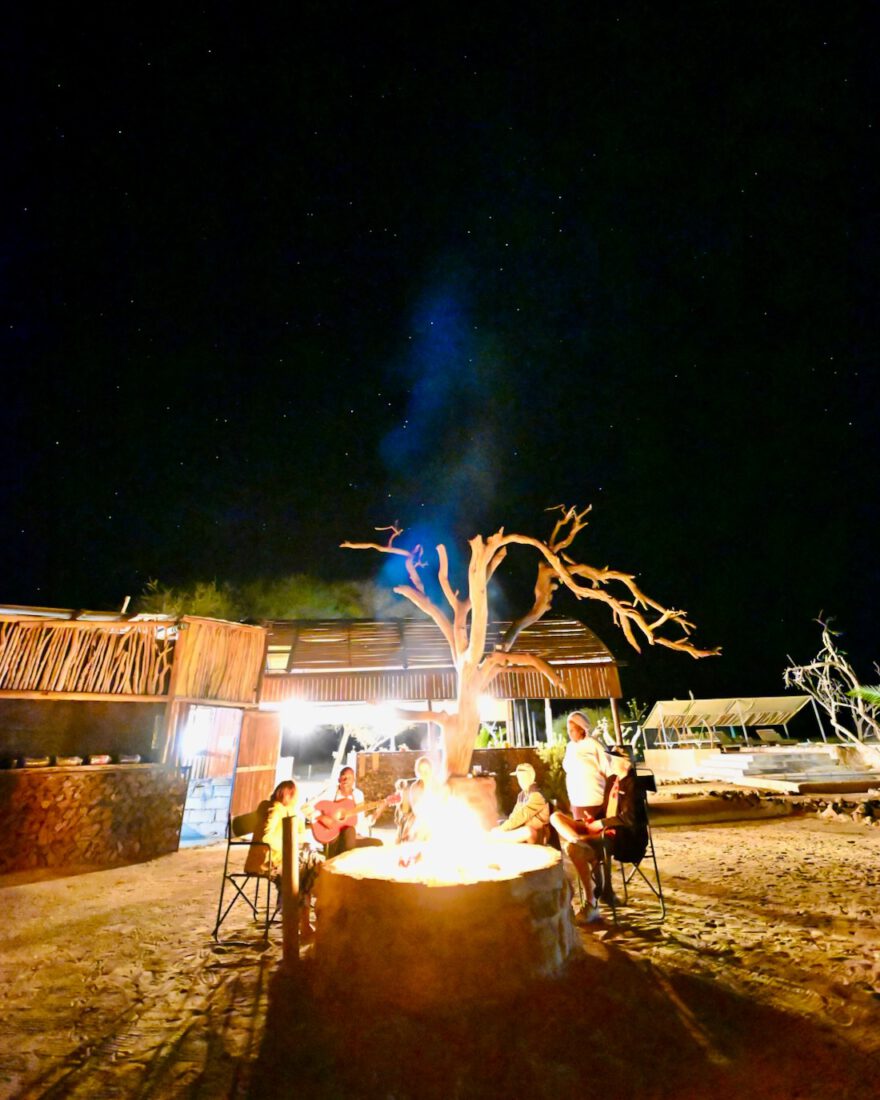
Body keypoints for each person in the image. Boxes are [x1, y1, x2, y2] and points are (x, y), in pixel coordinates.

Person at [552, 750, 636, 923]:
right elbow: (605, 809)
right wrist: (593, 819)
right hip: (599, 829)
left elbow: (629, 818)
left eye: (613, 758)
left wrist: (601, 824)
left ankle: (591, 903)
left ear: (626, 763)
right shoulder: (612, 780)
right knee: (556, 817)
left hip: (615, 836)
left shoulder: (633, 785)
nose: (610, 761)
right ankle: (577, 840)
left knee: (572, 849)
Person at [244, 779, 321, 936]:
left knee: (310, 862)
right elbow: (265, 838)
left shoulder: (285, 810)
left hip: (278, 858)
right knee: (303, 871)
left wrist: (300, 817)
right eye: (295, 797)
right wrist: (288, 848)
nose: (296, 800)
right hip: (268, 862)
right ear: (287, 795)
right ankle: (298, 921)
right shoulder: (274, 809)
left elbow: (298, 835)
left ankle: (301, 920)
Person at [315, 766, 385, 859]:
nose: (346, 780)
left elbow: (360, 821)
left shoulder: (358, 795)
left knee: (378, 843)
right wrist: (321, 817)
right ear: (339, 779)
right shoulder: (330, 792)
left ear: (354, 781)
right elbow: (307, 808)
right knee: (350, 831)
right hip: (333, 837)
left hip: (352, 838)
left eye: (349, 778)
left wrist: (377, 812)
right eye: (343, 777)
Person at [490, 762, 550, 843]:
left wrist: (502, 828)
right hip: (523, 829)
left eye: (523, 777)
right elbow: (515, 815)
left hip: (536, 834)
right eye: (519, 778)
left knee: (527, 832)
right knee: (501, 823)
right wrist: (504, 825)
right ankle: (500, 835)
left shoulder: (537, 795)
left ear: (530, 777)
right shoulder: (522, 795)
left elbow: (523, 815)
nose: (520, 781)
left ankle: (498, 836)